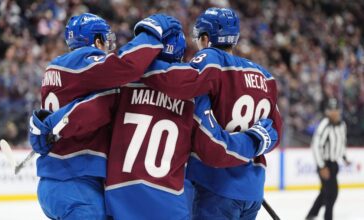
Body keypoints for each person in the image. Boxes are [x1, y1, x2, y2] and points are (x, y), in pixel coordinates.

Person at [30, 16, 279, 220]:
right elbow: (212, 144)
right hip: (181, 199)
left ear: (205, 38)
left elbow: (88, 109)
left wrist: (46, 125)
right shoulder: (253, 80)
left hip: (119, 199)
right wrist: (255, 142)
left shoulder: (120, 85)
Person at [29, 12, 180, 220]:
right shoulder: (84, 60)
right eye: (104, 40)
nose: (107, 48)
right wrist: (152, 31)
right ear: (96, 40)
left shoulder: (55, 67)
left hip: (52, 182)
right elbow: (127, 67)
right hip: (77, 184)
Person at [140, 7, 283, 219]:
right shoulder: (265, 76)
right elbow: (275, 133)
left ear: (206, 38)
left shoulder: (211, 60)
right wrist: (254, 142)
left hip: (215, 187)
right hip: (252, 189)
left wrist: (143, 65)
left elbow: (179, 83)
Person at [306, 98, 350, 220]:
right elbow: (315, 146)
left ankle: (311, 214)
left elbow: (342, 142)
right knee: (332, 194)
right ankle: (328, 217)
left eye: (336, 109)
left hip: (335, 164)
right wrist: (321, 166)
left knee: (325, 191)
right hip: (325, 164)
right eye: (331, 110)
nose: (334, 112)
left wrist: (344, 157)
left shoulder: (342, 125)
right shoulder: (324, 125)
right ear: (327, 111)